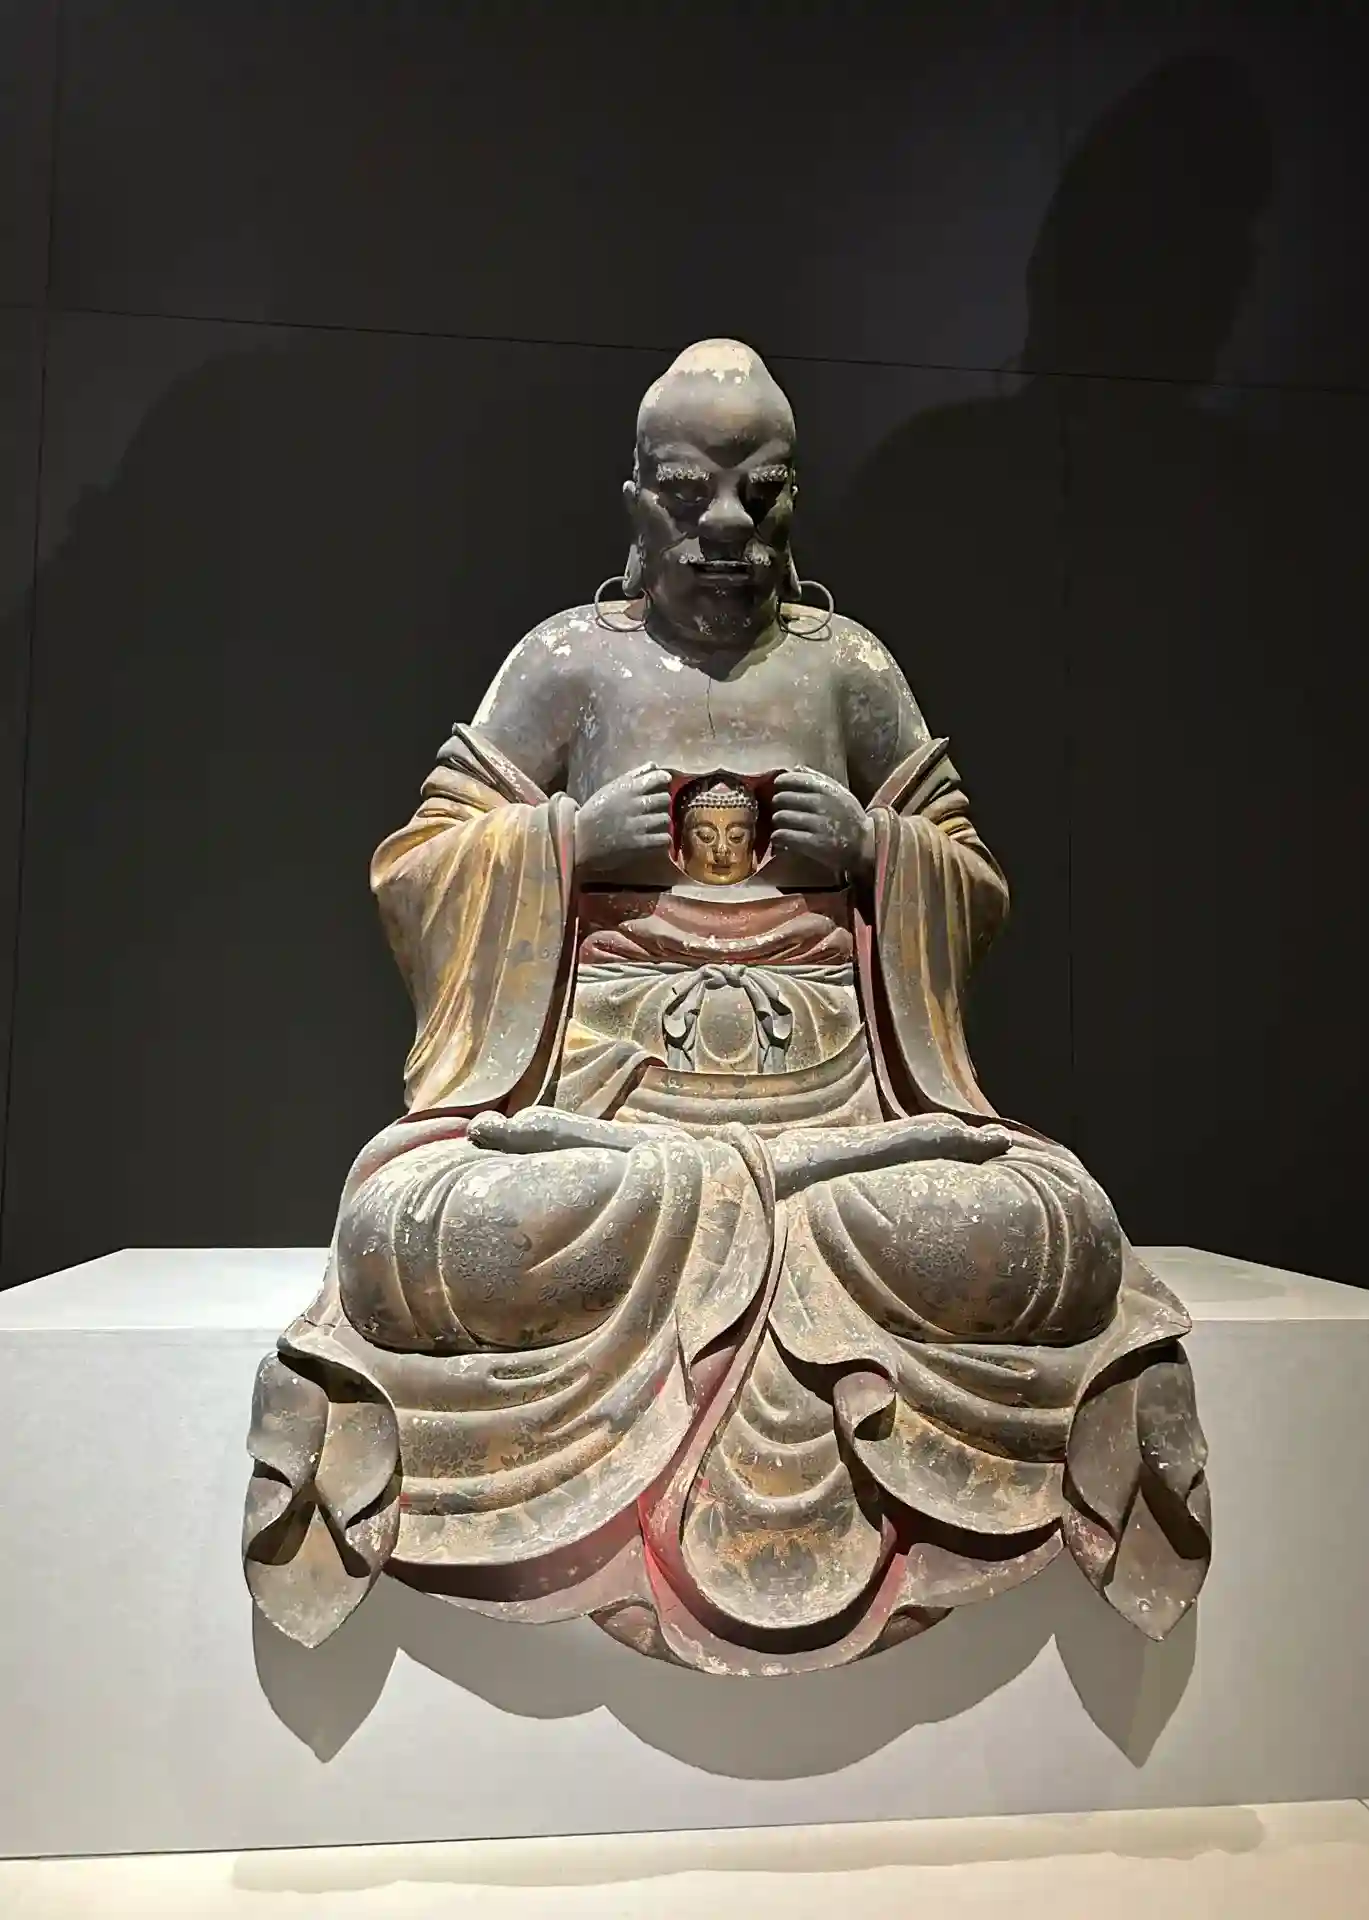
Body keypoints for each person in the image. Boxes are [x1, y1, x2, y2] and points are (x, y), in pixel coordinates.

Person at [244, 341, 1209, 1671]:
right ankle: (748, 1249)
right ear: (635, 501)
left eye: (761, 492)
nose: (726, 528)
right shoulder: (568, 664)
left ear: (796, 497)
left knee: (1063, 1228)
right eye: (689, 492)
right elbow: (422, 870)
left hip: (840, 1124)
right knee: (400, 1234)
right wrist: (570, 844)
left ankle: (733, 1250)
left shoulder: (847, 669)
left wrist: (874, 852)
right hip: (609, 1118)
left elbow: (972, 881)